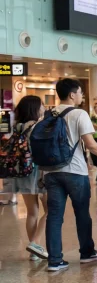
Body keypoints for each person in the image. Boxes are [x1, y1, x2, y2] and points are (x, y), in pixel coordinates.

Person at [42, 79, 97, 272]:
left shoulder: (49, 114)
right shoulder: (78, 114)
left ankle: (55, 260)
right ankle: (86, 252)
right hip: (74, 172)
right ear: (72, 95)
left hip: (51, 172)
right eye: (80, 92)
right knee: (82, 213)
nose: (82, 96)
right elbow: (90, 143)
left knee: (54, 217)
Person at [3, 95, 48, 260]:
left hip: (21, 172)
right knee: (52, 210)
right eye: (41, 105)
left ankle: (34, 252)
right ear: (35, 109)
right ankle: (35, 244)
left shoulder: (16, 126)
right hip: (38, 171)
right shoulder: (38, 126)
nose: (43, 107)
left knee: (32, 212)